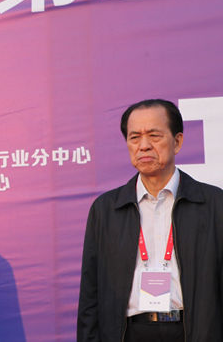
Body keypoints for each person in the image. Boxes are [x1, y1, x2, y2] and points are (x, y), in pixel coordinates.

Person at [77, 99, 223, 342]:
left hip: (192, 332)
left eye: (154, 136)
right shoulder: (106, 209)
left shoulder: (213, 203)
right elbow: (90, 295)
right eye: (134, 137)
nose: (143, 146)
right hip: (128, 333)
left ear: (177, 142)